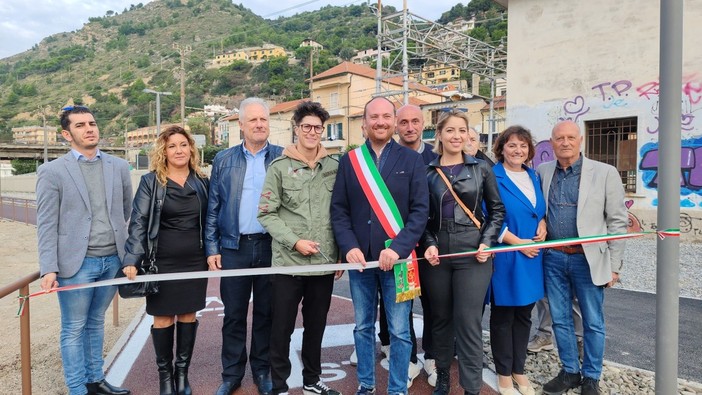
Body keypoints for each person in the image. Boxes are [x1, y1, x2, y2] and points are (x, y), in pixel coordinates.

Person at [331, 97, 429, 395]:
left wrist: (397, 248)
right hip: (361, 262)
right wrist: (348, 246)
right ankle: (366, 385)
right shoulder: (350, 161)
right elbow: (339, 209)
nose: (381, 122)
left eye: (387, 116)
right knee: (362, 328)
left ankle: (398, 388)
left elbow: (419, 211)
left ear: (393, 120)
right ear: (365, 122)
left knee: (400, 332)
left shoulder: (411, 159)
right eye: (375, 117)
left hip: (397, 260)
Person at [36, 105, 132, 395]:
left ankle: (95, 380)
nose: (89, 128)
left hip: (112, 259)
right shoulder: (52, 171)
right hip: (75, 265)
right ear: (67, 134)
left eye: (92, 123)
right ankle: (77, 388)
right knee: (74, 327)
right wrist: (49, 267)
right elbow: (46, 223)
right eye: (80, 125)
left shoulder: (118, 166)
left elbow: (125, 210)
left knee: (96, 322)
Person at [536, 120, 627, 395]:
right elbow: (538, 208)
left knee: (593, 321)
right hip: (553, 258)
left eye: (570, 137)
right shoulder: (542, 171)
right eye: (559, 138)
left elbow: (618, 221)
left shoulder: (605, 173)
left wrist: (614, 266)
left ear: (581, 140)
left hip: (588, 260)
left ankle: (591, 377)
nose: (565, 142)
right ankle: (569, 372)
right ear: (551, 143)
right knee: (560, 319)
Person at [257, 101, 341, 395]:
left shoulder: (334, 166)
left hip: (324, 262)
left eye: (318, 127)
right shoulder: (279, 168)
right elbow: (266, 212)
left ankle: (311, 380)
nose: (312, 132)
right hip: (288, 263)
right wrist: (295, 241)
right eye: (307, 126)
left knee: (316, 327)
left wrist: (339, 255)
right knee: (281, 328)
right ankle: (278, 385)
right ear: (296, 129)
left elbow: (339, 213)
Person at [421, 110, 505, 395]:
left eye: (462, 131)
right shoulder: (428, 172)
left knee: (468, 320)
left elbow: (497, 211)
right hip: (438, 254)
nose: (457, 136)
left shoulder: (481, 168)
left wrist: (487, 241)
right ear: (439, 135)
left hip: (473, 252)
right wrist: (429, 242)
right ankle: (442, 376)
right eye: (450, 131)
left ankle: (471, 387)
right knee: (440, 318)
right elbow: (421, 217)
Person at [122, 126, 209, 395]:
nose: (179, 150)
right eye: (172, 146)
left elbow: (212, 220)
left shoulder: (202, 181)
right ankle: (165, 377)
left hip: (195, 261)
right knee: (162, 318)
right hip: (160, 262)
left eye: (183, 144)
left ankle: (182, 374)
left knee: (187, 315)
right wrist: (132, 258)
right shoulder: (151, 182)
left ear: (191, 149)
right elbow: (138, 221)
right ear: (164, 151)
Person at [205, 97, 283, 395]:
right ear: (241, 125)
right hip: (234, 247)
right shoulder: (224, 160)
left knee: (266, 312)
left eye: (263, 119)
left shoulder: (281, 156)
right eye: (253, 120)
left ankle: (261, 371)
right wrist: (212, 248)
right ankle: (232, 374)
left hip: (270, 247)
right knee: (234, 313)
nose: (259, 124)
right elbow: (214, 207)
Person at [489, 126, 546, 395]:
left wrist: (543, 221)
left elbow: (537, 209)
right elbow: (486, 217)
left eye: (523, 146)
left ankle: (518, 370)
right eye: (512, 145)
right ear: (501, 148)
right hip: (508, 256)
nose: (517, 150)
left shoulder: (533, 175)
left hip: (533, 256)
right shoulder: (492, 175)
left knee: (525, 315)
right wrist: (518, 243)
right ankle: (503, 374)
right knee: (504, 316)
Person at [395, 104, 438, 386]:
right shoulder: (387, 157)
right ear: (396, 126)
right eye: (404, 122)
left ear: (423, 124)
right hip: (400, 245)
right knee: (403, 305)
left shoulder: (437, 157)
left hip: (432, 244)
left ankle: (433, 356)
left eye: (415, 121)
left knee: (434, 303)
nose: (410, 127)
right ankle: (408, 359)